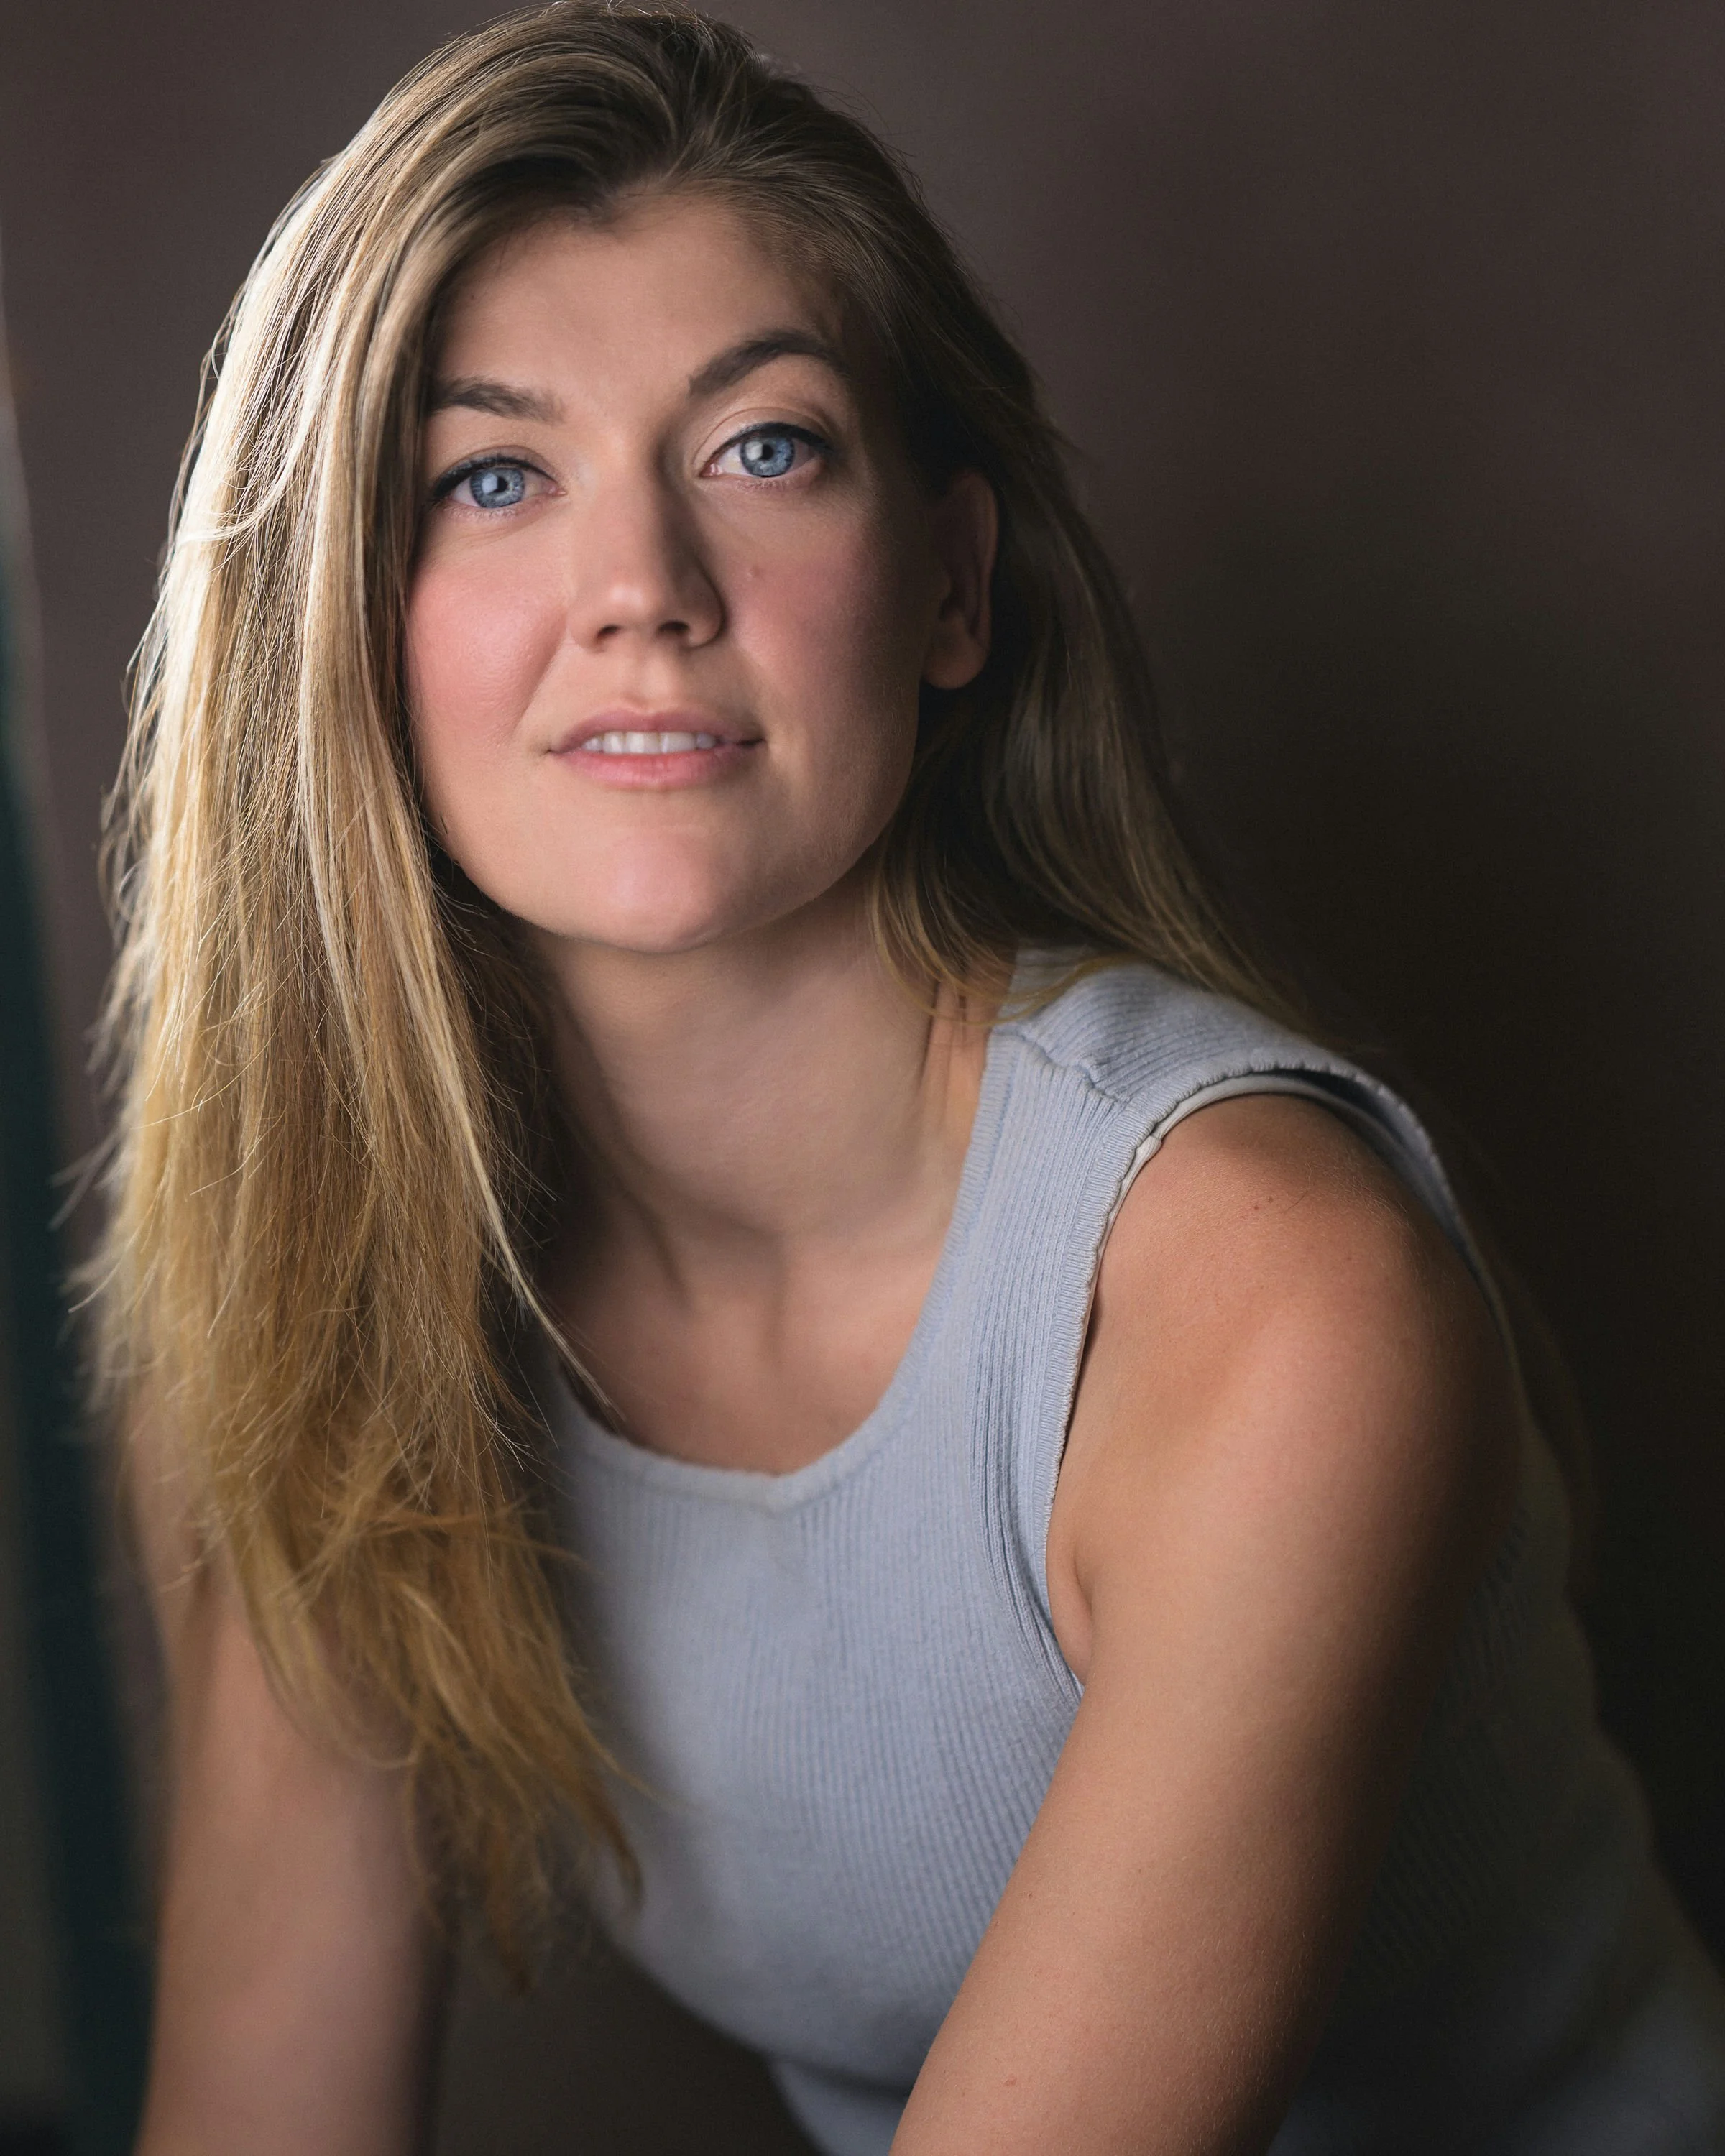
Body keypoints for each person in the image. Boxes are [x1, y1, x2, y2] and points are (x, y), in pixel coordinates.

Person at [96, 7, 1725, 2152]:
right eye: (492, 479)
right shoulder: (328, 1309)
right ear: (338, 635)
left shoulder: (1265, 1292)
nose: (642, 595)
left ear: (951, 586)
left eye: (761, 448)